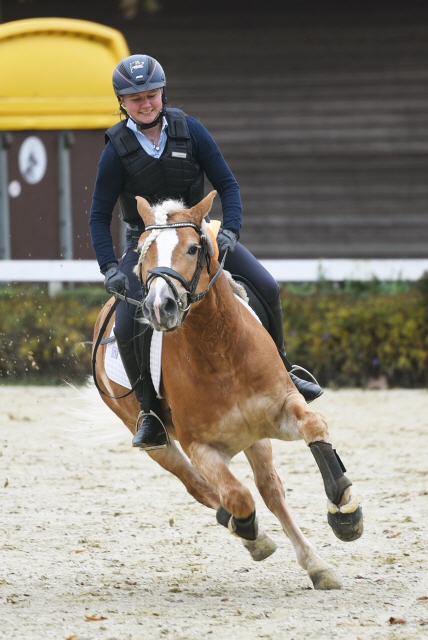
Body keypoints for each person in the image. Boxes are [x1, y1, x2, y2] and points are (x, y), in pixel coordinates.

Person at [90, 54, 322, 451]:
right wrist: (110, 267)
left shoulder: (190, 130)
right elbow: (98, 215)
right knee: (128, 322)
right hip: (148, 243)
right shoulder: (116, 148)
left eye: (151, 95)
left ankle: (285, 370)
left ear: (162, 93)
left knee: (266, 285)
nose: (145, 103)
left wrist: (229, 230)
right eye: (135, 98)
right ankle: (149, 412)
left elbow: (228, 186)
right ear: (122, 102)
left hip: (200, 232)